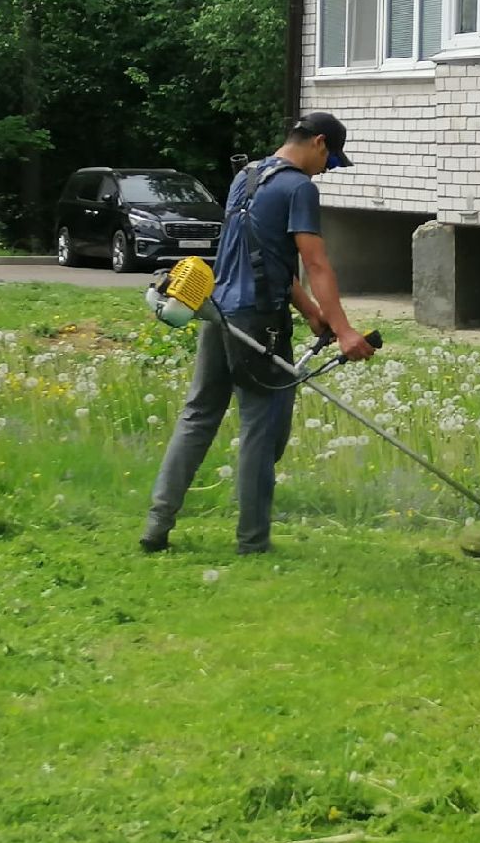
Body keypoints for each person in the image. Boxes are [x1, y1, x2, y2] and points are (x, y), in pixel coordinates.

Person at [140, 112, 376, 556]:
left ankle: (156, 525)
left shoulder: (246, 177)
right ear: (319, 144)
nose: (327, 170)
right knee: (262, 429)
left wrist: (310, 311)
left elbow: (260, 256)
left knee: (198, 417)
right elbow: (317, 263)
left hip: (217, 313)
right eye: (332, 161)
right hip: (259, 323)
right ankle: (252, 541)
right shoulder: (300, 188)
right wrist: (344, 331)